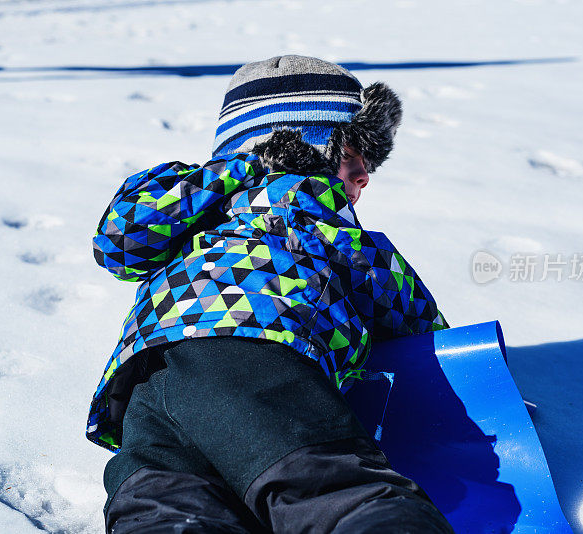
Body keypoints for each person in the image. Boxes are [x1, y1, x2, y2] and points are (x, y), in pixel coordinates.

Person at [87, 55, 453, 533]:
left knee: (164, 511)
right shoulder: (315, 217)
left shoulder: (195, 212)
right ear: (311, 148)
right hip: (254, 363)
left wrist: (229, 171)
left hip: (147, 386)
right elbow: (413, 321)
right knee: (331, 492)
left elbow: (121, 242)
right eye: (353, 156)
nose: (364, 175)